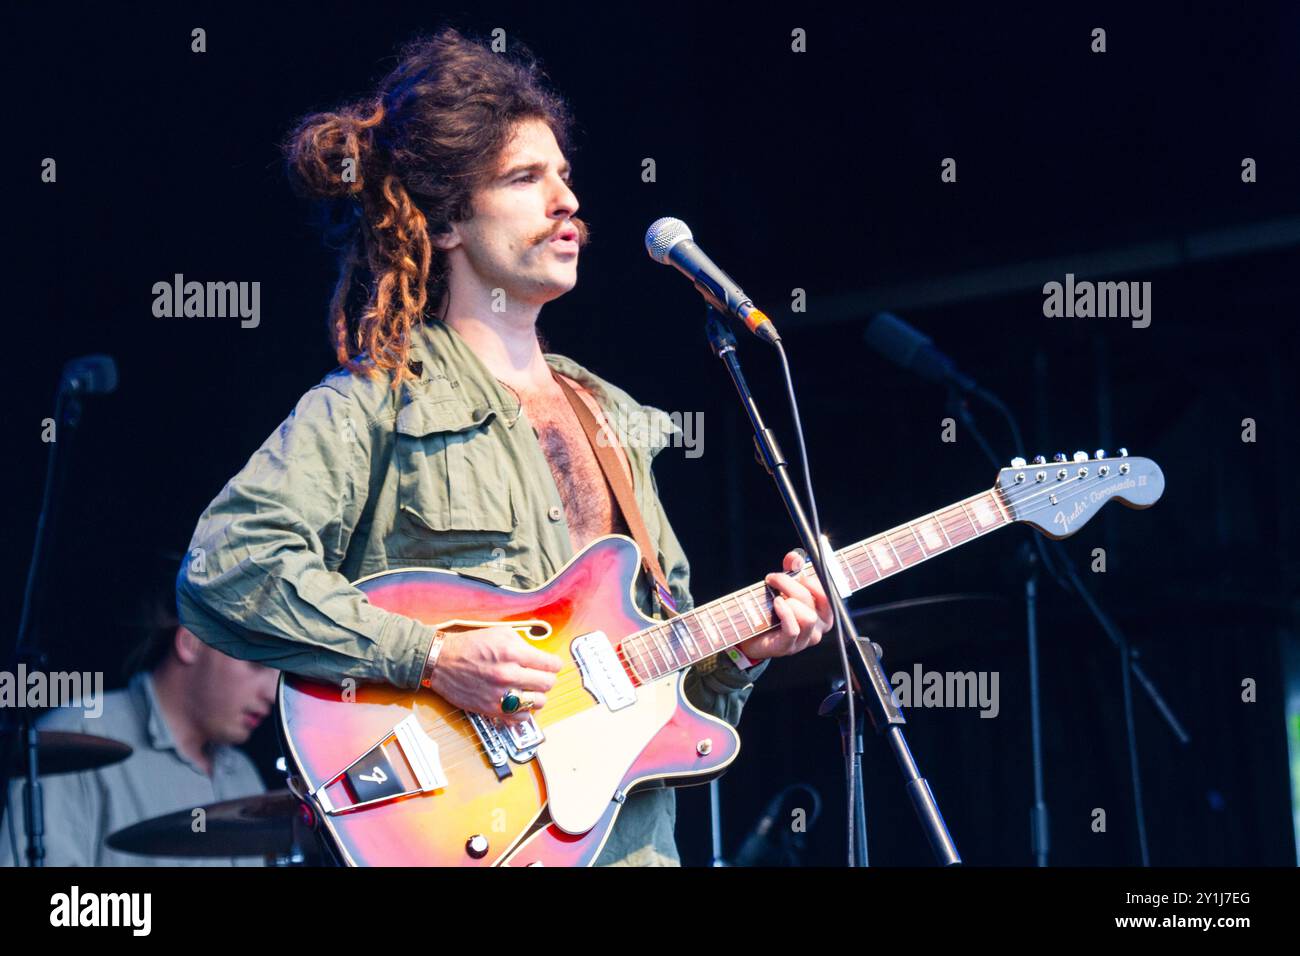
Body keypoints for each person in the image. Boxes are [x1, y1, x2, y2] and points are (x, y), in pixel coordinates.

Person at [176, 27, 832, 866]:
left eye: (564, 176)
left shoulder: (613, 419)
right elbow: (225, 566)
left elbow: (676, 702)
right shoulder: (376, 402)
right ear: (447, 220)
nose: (566, 202)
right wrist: (432, 656)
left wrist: (743, 653)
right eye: (526, 178)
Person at [1, 556, 276, 866]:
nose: (272, 693)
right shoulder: (74, 738)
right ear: (191, 644)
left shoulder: (243, 774)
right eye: (257, 663)